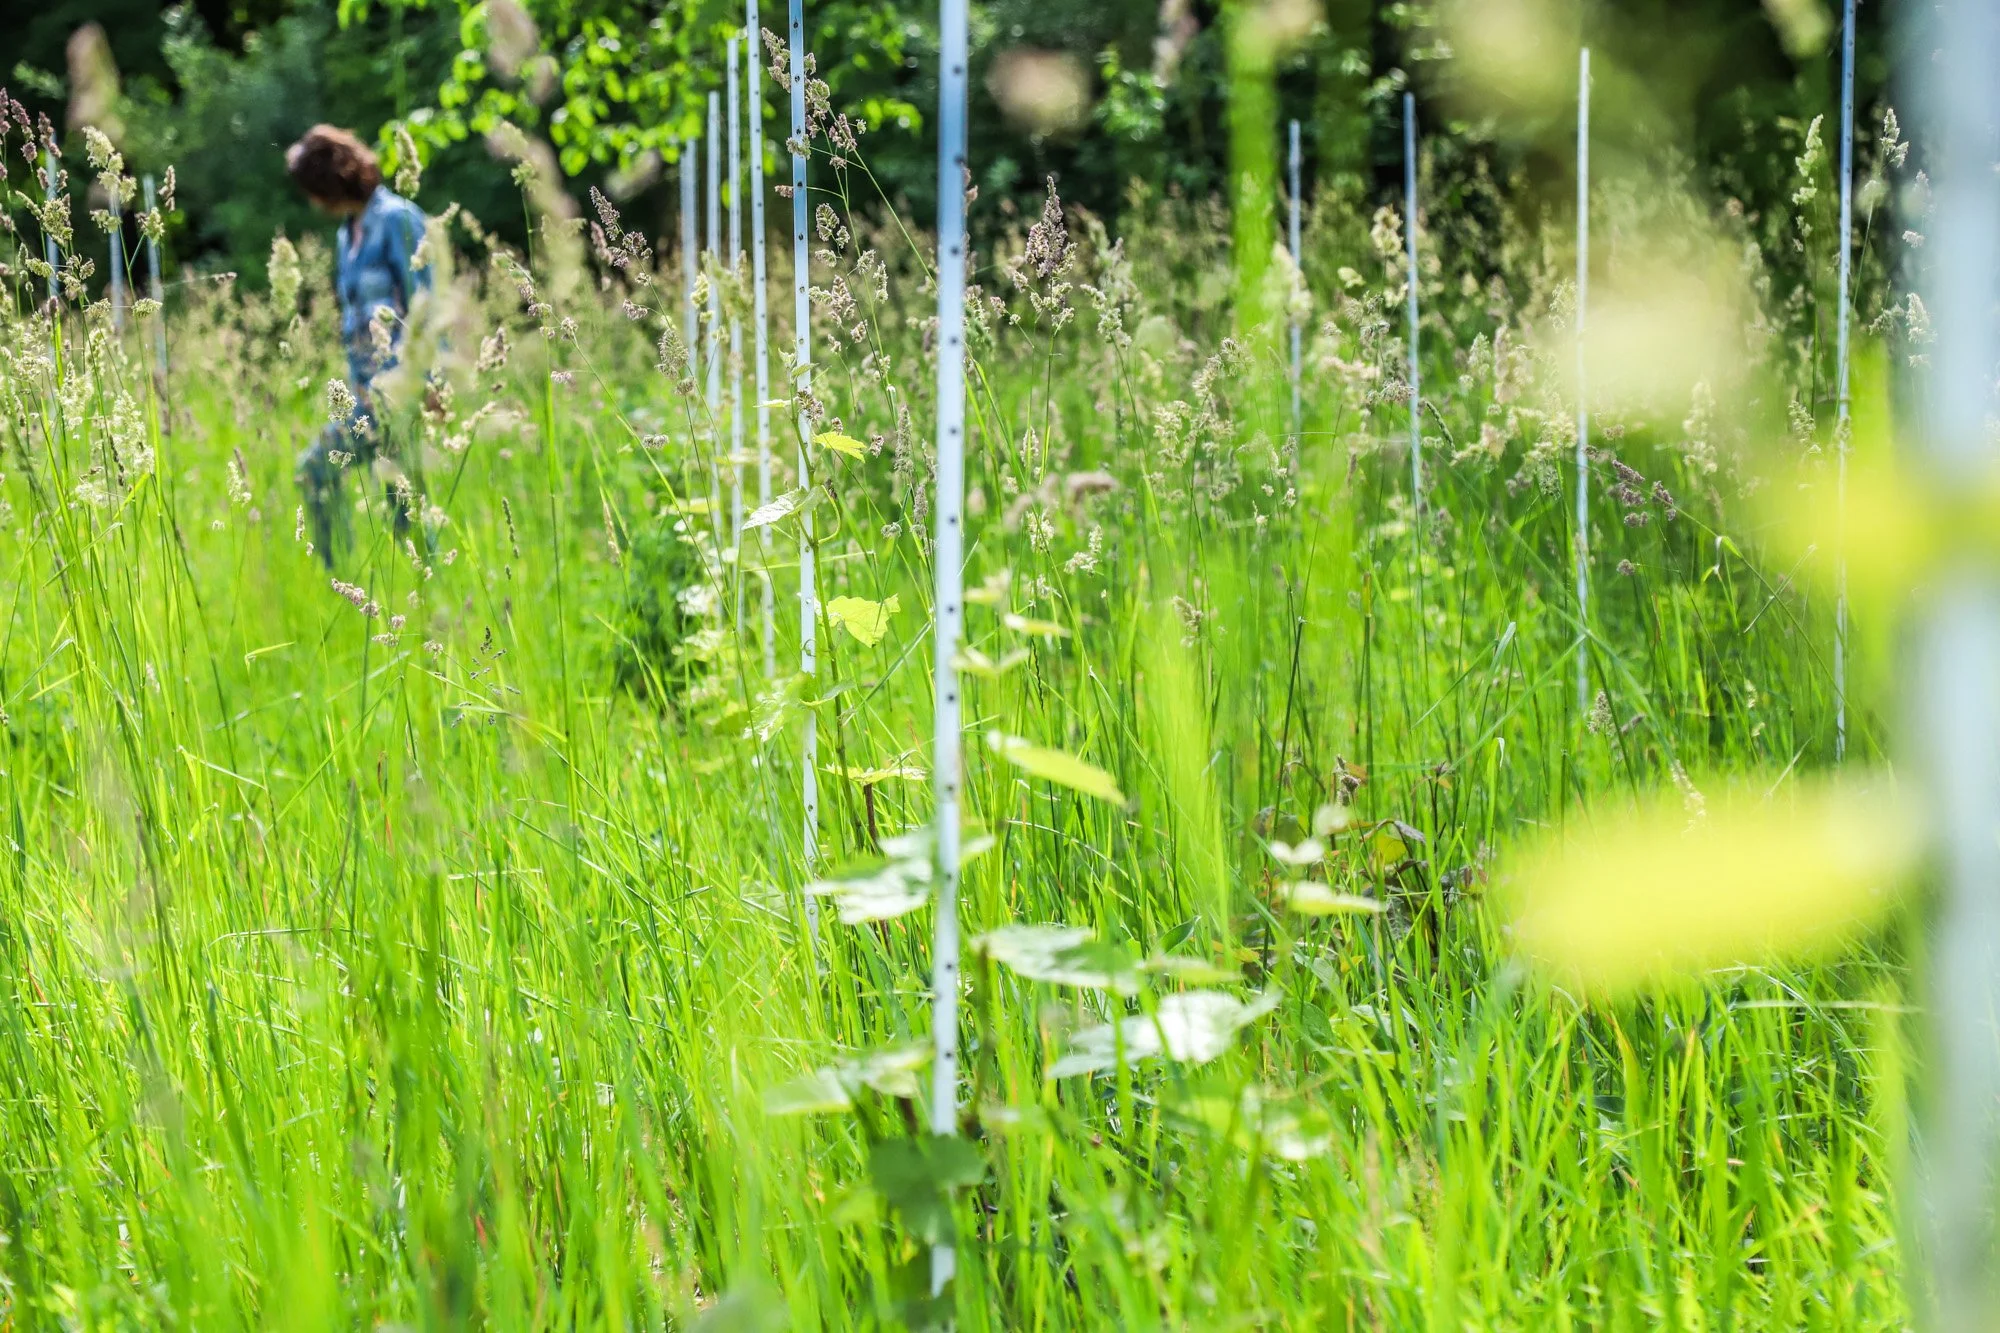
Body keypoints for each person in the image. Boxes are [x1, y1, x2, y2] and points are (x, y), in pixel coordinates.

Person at [285, 124, 430, 564]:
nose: (312, 202)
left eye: (313, 189)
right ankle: (343, 581)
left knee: (405, 514)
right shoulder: (347, 235)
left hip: (401, 391)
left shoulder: (398, 219)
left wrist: (429, 382)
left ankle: (422, 598)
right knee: (322, 476)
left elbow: (427, 303)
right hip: (364, 394)